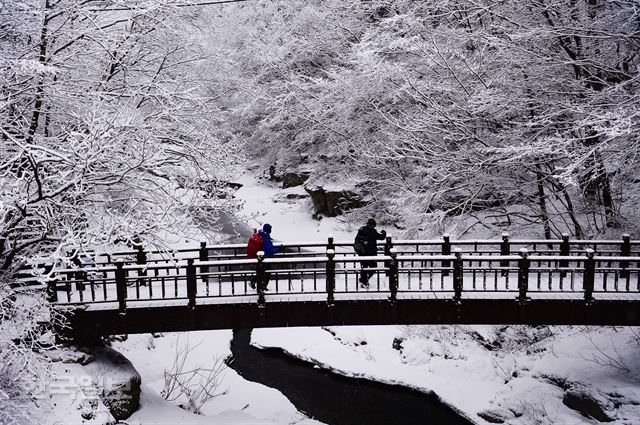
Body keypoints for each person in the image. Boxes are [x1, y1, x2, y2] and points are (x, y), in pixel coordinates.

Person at [354, 218, 386, 287]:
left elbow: (357, 240)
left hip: (362, 253)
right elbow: (381, 237)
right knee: (373, 267)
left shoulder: (361, 230)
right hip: (371, 253)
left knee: (364, 267)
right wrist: (384, 233)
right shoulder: (372, 232)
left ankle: (363, 281)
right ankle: (364, 280)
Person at [249, 223, 280, 289]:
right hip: (265, 258)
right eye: (270, 229)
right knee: (267, 273)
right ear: (268, 229)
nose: (271, 230)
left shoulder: (262, 235)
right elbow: (269, 251)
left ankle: (256, 283)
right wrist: (279, 249)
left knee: (262, 272)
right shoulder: (265, 237)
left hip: (260, 258)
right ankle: (262, 287)